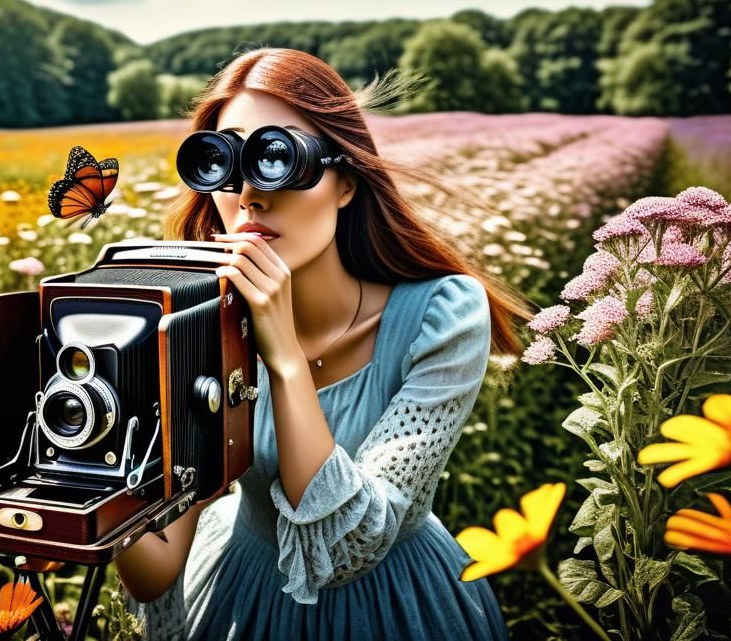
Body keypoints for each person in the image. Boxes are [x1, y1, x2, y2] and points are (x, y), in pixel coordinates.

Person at [111, 47, 531, 640]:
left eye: (278, 156)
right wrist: (100, 470)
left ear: (346, 183)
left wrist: (281, 354)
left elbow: (353, 544)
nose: (249, 193)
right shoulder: (196, 327)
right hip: (241, 590)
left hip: (395, 608)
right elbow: (153, 573)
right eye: (223, 162)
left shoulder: (442, 316)